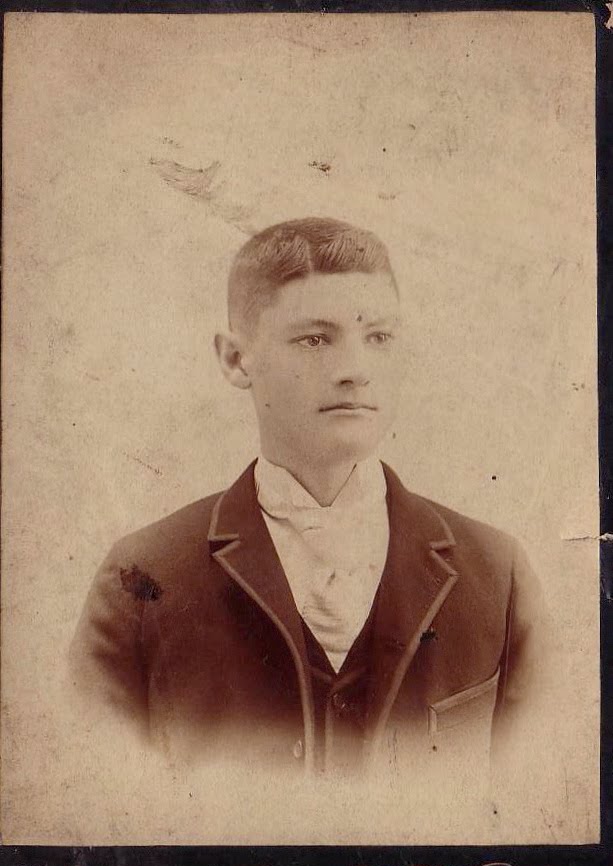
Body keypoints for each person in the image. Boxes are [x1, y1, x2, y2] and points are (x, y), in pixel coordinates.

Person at [70, 217, 545, 783]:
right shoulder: (142, 577)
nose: (355, 372)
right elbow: (96, 796)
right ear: (235, 360)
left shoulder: (497, 571)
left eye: (378, 338)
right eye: (315, 339)